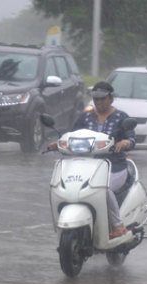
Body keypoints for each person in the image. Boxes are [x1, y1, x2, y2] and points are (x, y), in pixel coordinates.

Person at [48, 81, 136, 238]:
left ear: (111, 99)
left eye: (102, 99)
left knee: (103, 189)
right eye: (96, 99)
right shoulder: (85, 117)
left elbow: (132, 138)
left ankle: (118, 225)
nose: (99, 102)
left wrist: (125, 142)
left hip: (114, 167)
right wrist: (59, 143)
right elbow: (72, 134)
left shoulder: (121, 117)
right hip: (86, 167)